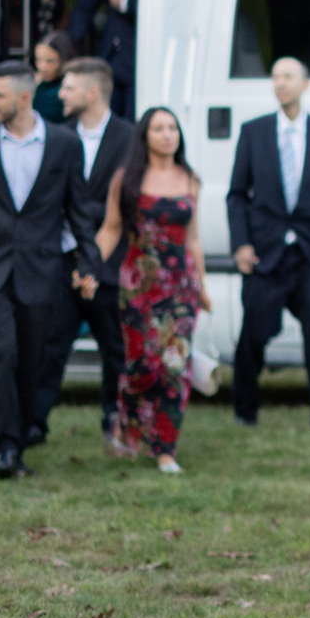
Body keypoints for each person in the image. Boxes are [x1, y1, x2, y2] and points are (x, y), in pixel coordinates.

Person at [0, 60, 100, 478]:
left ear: (23, 97)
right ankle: (6, 447)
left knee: (30, 359)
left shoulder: (64, 145)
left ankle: (18, 439)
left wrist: (88, 262)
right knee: (2, 351)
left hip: (40, 269)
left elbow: (79, 209)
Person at [225, 56, 310, 435]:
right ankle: (244, 408)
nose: (280, 83)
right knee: (254, 334)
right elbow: (236, 195)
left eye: (288, 76)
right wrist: (241, 243)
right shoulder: (254, 132)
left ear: (305, 84)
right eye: (275, 76)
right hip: (265, 252)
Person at [34, 56, 134, 448]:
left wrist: (78, 210)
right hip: (63, 260)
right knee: (51, 344)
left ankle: (114, 418)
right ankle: (34, 423)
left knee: (115, 347)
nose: (59, 93)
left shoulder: (129, 139)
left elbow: (128, 202)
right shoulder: (57, 136)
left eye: (68, 87)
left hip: (111, 261)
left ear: (92, 93)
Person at [99, 106, 205, 473]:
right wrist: (90, 268)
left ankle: (165, 449)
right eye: (158, 128)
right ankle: (130, 431)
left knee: (176, 366)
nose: (167, 134)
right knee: (143, 365)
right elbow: (112, 228)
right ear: (145, 136)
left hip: (180, 288)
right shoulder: (126, 179)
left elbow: (193, 239)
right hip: (139, 284)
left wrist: (202, 287)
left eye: (172, 127)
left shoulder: (191, 179)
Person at [31, 32, 73, 124]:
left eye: (50, 61)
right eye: (38, 60)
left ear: (64, 60)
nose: (43, 67)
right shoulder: (31, 83)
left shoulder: (69, 89)